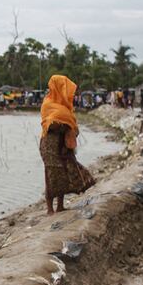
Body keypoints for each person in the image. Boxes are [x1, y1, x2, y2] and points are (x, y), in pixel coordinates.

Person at [39, 75, 96, 215]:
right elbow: (50, 125)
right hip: (50, 146)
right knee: (52, 174)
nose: (69, 93)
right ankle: (50, 208)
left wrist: (70, 128)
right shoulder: (48, 104)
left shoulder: (65, 107)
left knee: (64, 173)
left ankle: (60, 206)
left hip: (63, 145)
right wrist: (66, 126)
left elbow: (70, 124)